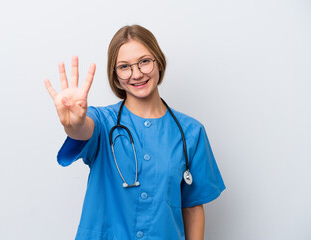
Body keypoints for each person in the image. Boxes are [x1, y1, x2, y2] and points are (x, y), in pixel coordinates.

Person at [44, 25, 225, 240]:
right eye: (124, 67)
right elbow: (82, 130)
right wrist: (73, 124)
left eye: (144, 61)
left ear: (159, 61)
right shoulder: (102, 122)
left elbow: (192, 207)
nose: (136, 74)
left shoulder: (191, 133)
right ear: (115, 74)